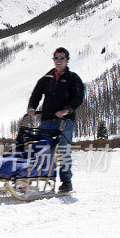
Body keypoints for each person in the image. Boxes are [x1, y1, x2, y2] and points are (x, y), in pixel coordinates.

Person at [27, 47, 85, 193]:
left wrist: (67, 110)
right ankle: (27, 177)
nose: (59, 61)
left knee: (63, 148)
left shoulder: (73, 78)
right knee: (37, 147)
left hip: (65, 120)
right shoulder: (46, 78)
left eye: (62, 58)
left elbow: (78, 98)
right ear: (53, 60)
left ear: (67, 60)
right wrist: (32, 107)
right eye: (56, 58)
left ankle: (66, 182)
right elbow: (36, 94)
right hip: (47, 118)